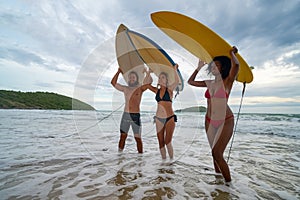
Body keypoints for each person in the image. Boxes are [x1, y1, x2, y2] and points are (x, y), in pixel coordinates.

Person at [187, 46, 239, 182]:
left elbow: (237, 65)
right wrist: (198, 68)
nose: (214, 67)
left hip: (225, 120)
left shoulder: (228, 81)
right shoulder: (209, 83)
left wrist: (232, 54)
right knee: (213, 154)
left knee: (217, 153)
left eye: (217, 65)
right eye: (213, 65)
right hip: (209, 120)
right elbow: (190, 82)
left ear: (223, 68)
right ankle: (218, 180)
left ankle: (228, 187)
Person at [144, 64, 180, 160]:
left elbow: (177, 81)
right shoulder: (156, 91)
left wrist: (174, 69)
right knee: (160, 142)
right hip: (159, 119)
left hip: (170, 118)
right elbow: (145, 85)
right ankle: (164, 163)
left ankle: (171, 162)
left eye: (163, 77)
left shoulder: (170, 90)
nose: (160, 79)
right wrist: (148, 73)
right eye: (159, 78)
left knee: (168, 141)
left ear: (166, 80)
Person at [111, 68, 150, 153]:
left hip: (135, 116)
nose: (131, 79)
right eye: (130, 77)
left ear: (136, 79)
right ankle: (119, 156)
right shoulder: (125, 89)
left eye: (133, 77)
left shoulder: (140, 89)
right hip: (126, 115)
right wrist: (118, 72)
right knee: (123, 137)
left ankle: (140, 158)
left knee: (138, 138)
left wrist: (147, 72)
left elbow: (148, 83)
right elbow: (113, 83)